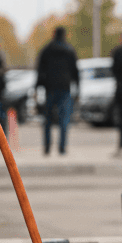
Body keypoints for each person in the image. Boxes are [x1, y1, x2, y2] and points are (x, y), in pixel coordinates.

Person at [35, 26, 79, 154]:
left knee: (47, 119)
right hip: (65, 88)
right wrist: (78, 90)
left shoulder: (47, 50)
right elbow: (76, 72)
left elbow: (40, 71)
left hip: (50, 89)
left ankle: (47, 146)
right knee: (64, 120)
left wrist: (37, 88)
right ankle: (62, 147)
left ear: (54, 34)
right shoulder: (69, 50)